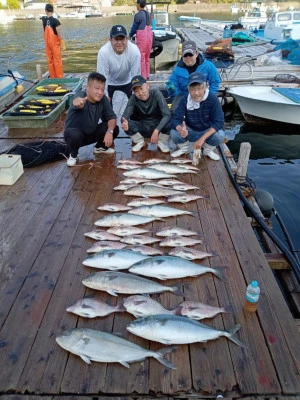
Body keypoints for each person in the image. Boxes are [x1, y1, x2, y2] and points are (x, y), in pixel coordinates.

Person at [64, 72, 119, 167]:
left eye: (102, 89)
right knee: (74, 135)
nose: (100, 92)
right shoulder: (81, 94)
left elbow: (112, 117)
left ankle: (100, 147)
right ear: (88, 88)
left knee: (114, 128)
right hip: (73, 137)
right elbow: (76, 99)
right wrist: (78, 102)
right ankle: (73, 155)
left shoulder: (103, 99)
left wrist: (110, 131)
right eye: (97, 88)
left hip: (90, 133)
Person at [170, 71, 225, 160]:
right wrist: (181, 130)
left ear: (205, 87)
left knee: (220, 135)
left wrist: (202, 139)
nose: (196, 93)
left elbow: (219, 122)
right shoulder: (185, 99)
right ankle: (185, 149)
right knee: (174, 133)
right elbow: (175, 119)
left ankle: (207, 150)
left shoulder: (213, 99)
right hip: (190, 131)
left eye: (199, 88)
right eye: (192, 89)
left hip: (206, 131)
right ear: (188, 89)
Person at [121, 75, 171, 153]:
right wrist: (125, 123)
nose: (140, 93)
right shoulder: (133, 98)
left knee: (170, 120)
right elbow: (125, 116)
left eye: (141, 88)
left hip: (158, 125)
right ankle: (139, 141)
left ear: (147, 86)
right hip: (142, 127)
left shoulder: (156, 93)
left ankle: (161, 142)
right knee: (125, 122)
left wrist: (156, 130)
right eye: (136, 91)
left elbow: (167, 114)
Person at [168, 40, 221, 111]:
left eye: (190, 54)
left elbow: (215, 82)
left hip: (201, 95)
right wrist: (172, 89)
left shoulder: (208, 66)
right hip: (184, 96)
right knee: (174, 112)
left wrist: (209, 96)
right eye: (185, 55)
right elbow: (174, 91)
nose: (188, 58)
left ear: (196, 53)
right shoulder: (177, 69)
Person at [97, 25, 141, 102]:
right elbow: (102, 77)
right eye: (116, 39)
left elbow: (136, 75)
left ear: (127, 39)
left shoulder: (134, 50)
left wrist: (137, 96)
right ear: (110, 40)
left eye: (122, 39)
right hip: (109, 82)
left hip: (128, 80)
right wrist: (105, 96)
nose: (119, 43)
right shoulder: (103, 52)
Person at [129, 0, 153, 79]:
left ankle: (143, 76)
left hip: (142, 36)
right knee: (147, 56)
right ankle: (148, 75)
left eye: (136, 4)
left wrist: (130, 35)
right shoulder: (148, 14)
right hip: (149, 34)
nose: (136, 5)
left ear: (139, 4)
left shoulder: (138, 15)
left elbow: (134, 27)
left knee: (141, 56)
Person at [42, 3, 66, 78]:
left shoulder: (44, 20)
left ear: (46, 11)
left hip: (48, 45)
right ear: (52, 11)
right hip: (54, 44)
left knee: (50, 61)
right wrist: (63, 43)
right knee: (57, 61)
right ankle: (59, 79)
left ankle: (53, 77)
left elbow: (45, 18)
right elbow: (59, 33)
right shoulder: (55, 21)